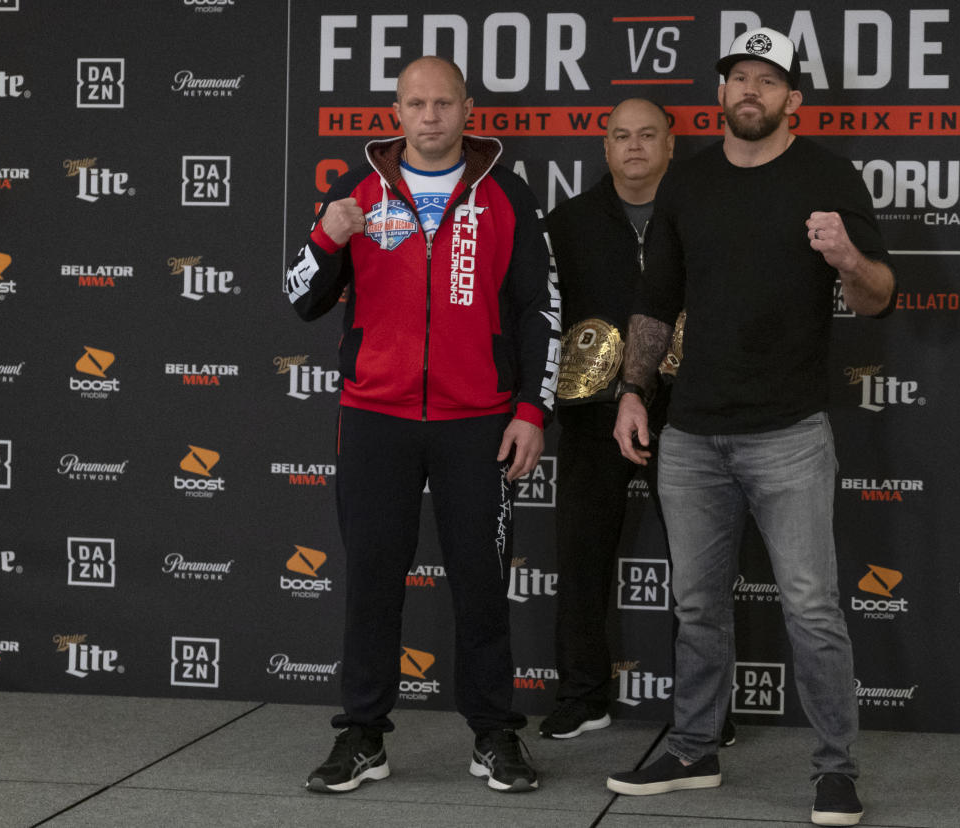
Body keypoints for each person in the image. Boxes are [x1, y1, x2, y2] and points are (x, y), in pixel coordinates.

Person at [604, 28, 897, 827]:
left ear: (793, 98)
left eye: (768, 80)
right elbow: (655, 301)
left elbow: (878, 297)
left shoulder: (830, 178)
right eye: (739, 77)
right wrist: (633, 391)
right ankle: (694, 749)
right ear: (722, 94)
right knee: (697, 604)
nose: (751, 92)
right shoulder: (689, 185)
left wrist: (846, 257)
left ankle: (836, 769)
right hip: (693, 434)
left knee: (811, 607)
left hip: (789, 433)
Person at [283, 55, 560, 795]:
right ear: (396, 113)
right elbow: (300, 299)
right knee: (373, 578)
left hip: (479, 421)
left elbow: (540, 310)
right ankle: (364, 736)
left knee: (481, 581)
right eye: (416, 103)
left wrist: (531, 409)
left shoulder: (505, 194)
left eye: (443, 103)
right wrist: (325, 241)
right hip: (376, 417)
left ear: (467, 109)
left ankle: (495, 734)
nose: (430, 116)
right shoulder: (355, 191)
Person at [539, 98, 675, 740]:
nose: (635, 147)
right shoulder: (566, 223)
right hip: (593, 413)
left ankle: (706, 711)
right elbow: (542, 318)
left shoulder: (698, 214)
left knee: (700, 566)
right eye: (621, 136)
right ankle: (584, 696)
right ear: (605, 147)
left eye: (648, 135)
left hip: (687, 409)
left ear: (670, 145)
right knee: (581, 558)